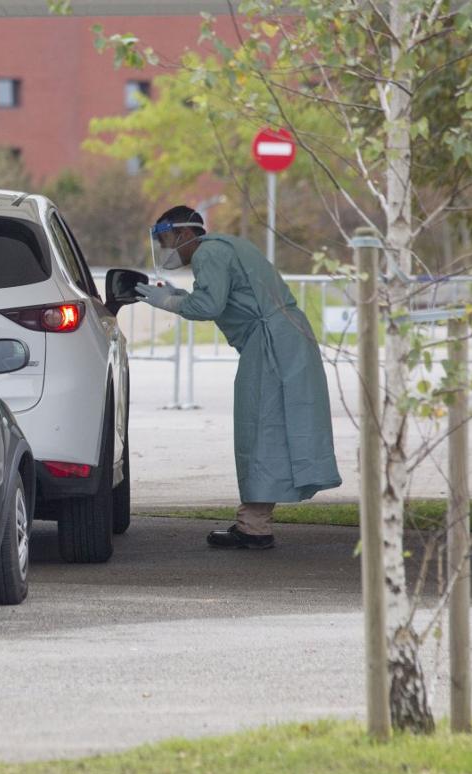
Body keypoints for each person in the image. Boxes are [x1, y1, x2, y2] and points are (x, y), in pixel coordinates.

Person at [135, 206, 341, 549]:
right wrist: (180, 296)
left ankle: (254, 527)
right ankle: (255, 523)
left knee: (260, 428)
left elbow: (208, 307)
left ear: (185, 234)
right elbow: (225, 299)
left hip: (273, 345)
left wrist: (168, 302)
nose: (163, 247)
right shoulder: (226, 246)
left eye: (165, 239)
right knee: (270, 429)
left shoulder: (207, 253)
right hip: (282, 341)